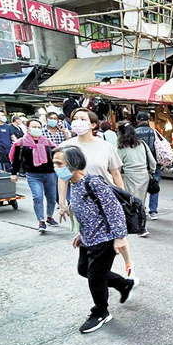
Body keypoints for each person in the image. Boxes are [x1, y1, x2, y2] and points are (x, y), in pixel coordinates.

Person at [54, 147, 135, 334]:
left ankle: (101, 312)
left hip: (104, 239)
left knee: (95, 278)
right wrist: (81, 234)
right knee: (84, 270)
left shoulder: (94, 183)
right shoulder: (75, 183)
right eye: (55, 164)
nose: (56, 168)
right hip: (88, 237)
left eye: (59, 164)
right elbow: (88, 213)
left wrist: (119, 238)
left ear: (74, 164)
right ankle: (124, 284)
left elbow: (114, 211)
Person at [57, 109, 133, 279]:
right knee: (93, 246)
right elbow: (62, 177)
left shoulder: (105, 146)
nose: (78, 122)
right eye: (75, 118)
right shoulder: (65, 147)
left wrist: (123, 199)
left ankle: (128, 265)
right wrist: (62, 203)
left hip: (106, 200)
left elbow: (115, 174)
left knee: (118, 235)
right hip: (83, 202)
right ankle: (105, 277)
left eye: (82, 119)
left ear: (93, 124)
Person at [9, 118, 58, 232]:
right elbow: (17, 159)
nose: (37, 129)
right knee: (38, 197)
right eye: (34, 127)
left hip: (50, 174)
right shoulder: (21, 143)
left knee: (51, 197)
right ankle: (41, 221)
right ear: (28, 129)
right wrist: (14, 173)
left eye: (39, 127)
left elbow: (57, 157)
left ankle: (49, 216)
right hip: (33, 175)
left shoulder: (48, 142)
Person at [116, 122, 156, 238]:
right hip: (144, 175)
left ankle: (139, 227)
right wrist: (152, 171)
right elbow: (152, 162)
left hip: (130, 176)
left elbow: (117, 166)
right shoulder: (142, 144)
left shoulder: (121, 148)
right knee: (141, 202)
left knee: (131, 202)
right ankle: (141, 225)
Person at [134, 112, 165, 220]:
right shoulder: (154, 132)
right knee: (154, 187)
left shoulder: (134, 133)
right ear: (148, 120)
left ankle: (141, 209)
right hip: (154, 164)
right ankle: (153, 211)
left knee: (139, 189)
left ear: (138, 120)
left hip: (139, 164)